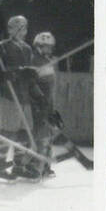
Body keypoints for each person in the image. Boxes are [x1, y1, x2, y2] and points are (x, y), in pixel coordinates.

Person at [0, 15, 44, 181]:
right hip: (10, 95)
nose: (22, 32)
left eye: (24, 28)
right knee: (8, 131)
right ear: (10, 29)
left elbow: (29, 74)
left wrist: (38, 93)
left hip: (24, 96)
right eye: (18, 28)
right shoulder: (3, 46)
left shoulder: (27, 48)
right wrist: (17, 71)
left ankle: (18, 166)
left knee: (24, 132)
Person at [30, 32, 63, 177]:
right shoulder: (34, 60)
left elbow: (50, 85)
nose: (49, 50)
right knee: (39, 136)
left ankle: (45, 166)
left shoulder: (47, 61)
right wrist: (39, 100)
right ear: (38, 46)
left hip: (48, 104)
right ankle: (35, 166)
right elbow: (32, 84)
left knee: (48, 135)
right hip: (39, 104)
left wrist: (52, 107)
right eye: (46, 47)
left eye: (51, 47)